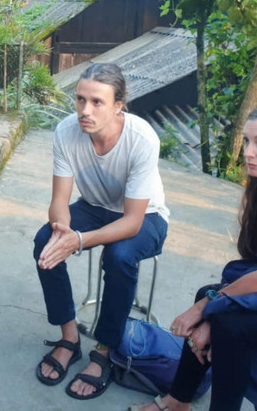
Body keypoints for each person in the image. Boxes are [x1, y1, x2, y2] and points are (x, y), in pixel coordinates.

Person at [131, 102, 257, 411]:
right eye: (247, 141)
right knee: (212, 301)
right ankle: (177, 401)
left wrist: (207, 308)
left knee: (229, 322)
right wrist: (210, 303)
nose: (248, 152)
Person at [33, 63, 169, 400]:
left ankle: (105, 351)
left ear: (119, 105)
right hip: (94, 208)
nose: (84, 110)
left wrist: (78, 240)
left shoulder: (141, 138)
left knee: (120, 255)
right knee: (42, 242)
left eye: (97, 102)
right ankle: (70, 338)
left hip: (145, 215)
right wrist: (60, 229)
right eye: (80, 99)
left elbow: (133, 221)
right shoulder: (66, 132)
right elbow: (60, 200)